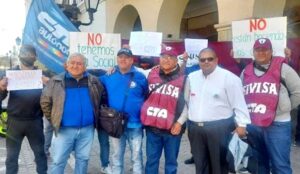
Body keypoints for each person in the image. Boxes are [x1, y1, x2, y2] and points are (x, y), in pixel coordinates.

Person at [184, 48, 251, 174]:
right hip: (196, 130)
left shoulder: (229, 78)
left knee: (219, 167)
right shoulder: (192, 77)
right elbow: (187, 102)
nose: (206, 62)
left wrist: (242, 124)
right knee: (200, 165)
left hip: (220, 129)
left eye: (210, 59)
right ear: (198, 61)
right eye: (202, 59)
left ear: (216, 60)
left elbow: (239, 103)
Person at [241, 38, 300, 174]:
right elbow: (240, 94)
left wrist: (284, 108)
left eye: (265, 49)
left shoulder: (283, 68)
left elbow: (298, 91)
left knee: (280, 166)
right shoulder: (246, 71)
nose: (261, 52)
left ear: (271, 51)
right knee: (259, 165)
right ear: (253, 52)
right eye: (258, 50)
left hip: (278, 125)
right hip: (254, 125)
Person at [40, 53, 106, 174]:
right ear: (67, 65)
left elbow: (100, 98)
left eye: (79, 63)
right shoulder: (56, 81)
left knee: (83, 159)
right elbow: (45, 102)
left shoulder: (94, 81)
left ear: (85, 67)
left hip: (87, 130)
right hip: (64, 130)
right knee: (58, 161)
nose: (75, 66)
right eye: (72, 63)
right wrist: (55, 119)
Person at [0, 44, 48, 174]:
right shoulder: (9, 74)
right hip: (14, 122)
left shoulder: (42, 75)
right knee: (11, 157)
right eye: (25, 53)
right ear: (19, 55)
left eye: (31, 54)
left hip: (35, 121)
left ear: (35, 57)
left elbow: (54, 96)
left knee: (40, 155)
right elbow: (1, 97)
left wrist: (48, 84)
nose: (28, 56)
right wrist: (1, 88)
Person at [100, 48, 148, 174]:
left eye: (126, 57)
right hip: (115, 125)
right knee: (116, 156)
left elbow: (146, 95)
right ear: (117, 59)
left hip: (135, 124)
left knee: (137, 157)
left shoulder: (140, 77)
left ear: (132, 60)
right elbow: (91, 79)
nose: (123, 59)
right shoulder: (108, 76)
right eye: (120, 57)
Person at [141, 45, 187, 174]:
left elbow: (189, 104)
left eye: (170, 57)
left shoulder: (185, 79)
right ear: (159, 59)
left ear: (176, 60)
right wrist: (113, 68)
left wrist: (180, 122)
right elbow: (130, 69)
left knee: (171, 164)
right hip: (153, 128)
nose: (166, 60)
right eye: (163, 57)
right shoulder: (151, 73)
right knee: (151, 161)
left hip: (173, 129)